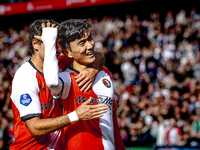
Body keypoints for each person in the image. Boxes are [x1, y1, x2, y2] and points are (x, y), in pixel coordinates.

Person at [10, 19, 108, 150]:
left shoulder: (59, 63)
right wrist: (76, 115)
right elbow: (34, 127)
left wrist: (93, 69)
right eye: (51, 43)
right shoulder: (25, 77)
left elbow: (97, 55)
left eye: (60, 43)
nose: (58, 49)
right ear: (35, 44)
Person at [43, 18, 125, 150]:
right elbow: (52, 82)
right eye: (82, 43)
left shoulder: (104, 73)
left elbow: (113, 122)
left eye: (89, 38)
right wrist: (49, 39)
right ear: (67, 52)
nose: (90, 45)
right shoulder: (66, 78)